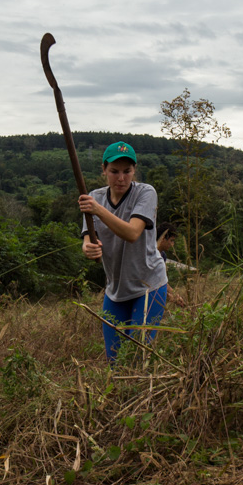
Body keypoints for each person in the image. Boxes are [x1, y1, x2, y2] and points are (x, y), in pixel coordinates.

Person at [79, 141, 170, 364]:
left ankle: (143, 397)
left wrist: (98, 210)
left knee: (137, 355)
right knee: (114, 358)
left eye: (127, 171)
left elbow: (132, 233)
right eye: (114, 171)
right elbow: (88, 238)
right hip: (115, 289)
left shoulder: (145, 193)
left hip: (149, 285)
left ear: (134, 170)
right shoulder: (95, 197)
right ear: (104, 170)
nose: (121, 178)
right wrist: (88, 247)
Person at [155, 221, 187, 307]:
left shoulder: (163, 255)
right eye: (171, 240)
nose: (172, 244)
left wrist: (176, 295)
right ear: (163, 238)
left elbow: (162, 280)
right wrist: (169, 297)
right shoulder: (150, 253)